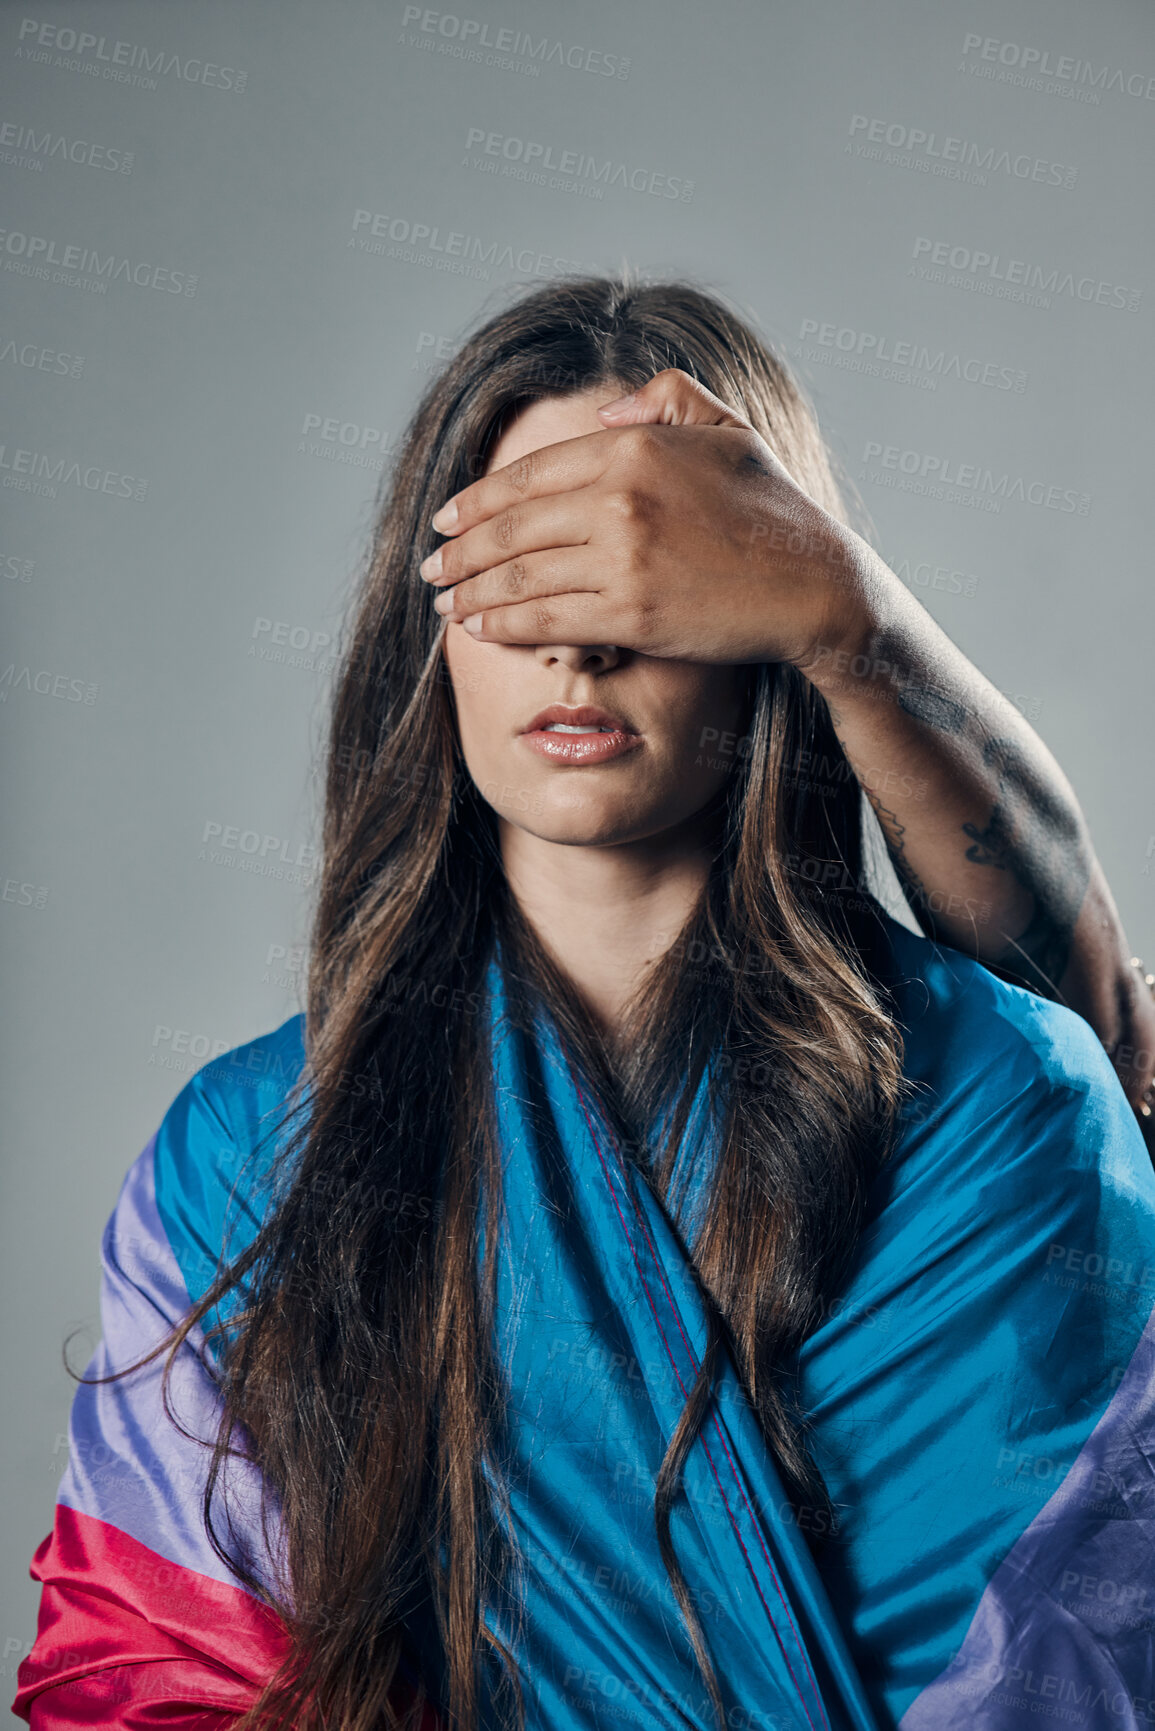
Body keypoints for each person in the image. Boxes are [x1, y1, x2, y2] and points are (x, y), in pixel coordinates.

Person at [13, 276, 1155, 1731]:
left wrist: (849, 611)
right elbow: (138, 1678)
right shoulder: (239, 1160)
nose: (577, 645)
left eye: (645, 582)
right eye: (518, 575)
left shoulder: (1000, 1111)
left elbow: (1068, 1670)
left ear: (769, 622)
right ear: (426, 635)